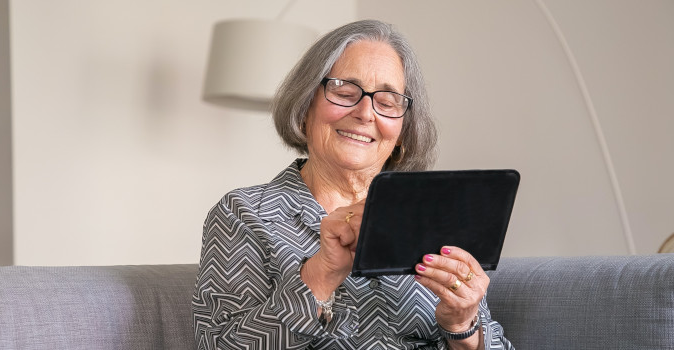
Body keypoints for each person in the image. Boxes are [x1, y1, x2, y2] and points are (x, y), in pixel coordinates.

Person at [192, 19, 514, 350]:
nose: (365, 112)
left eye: (387, 102)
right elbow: (219, 345)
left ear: (402, 131)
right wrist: (320, 276)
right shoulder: (244, 214)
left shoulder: (433, 216)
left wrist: (462, 326)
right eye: (345, 92)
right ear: (305, 107)